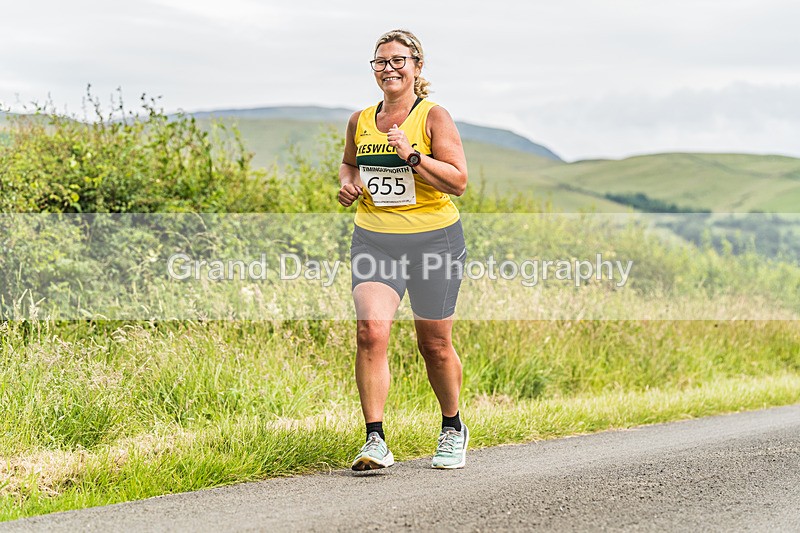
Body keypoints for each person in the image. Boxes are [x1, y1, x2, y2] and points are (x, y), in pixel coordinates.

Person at [337, 29, 470, 471]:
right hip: (375, 239)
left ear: (416, 66)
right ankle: (375, 440)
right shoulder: (360, 120)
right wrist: (348, 185)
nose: (389, 68)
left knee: (434, 343)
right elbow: (349, 164)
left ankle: (452, 427)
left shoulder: (433, 116)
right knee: (370, 332)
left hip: (434, 241)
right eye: (381, 61)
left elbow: (458, 182)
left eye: (398, 60)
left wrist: (412, 156)